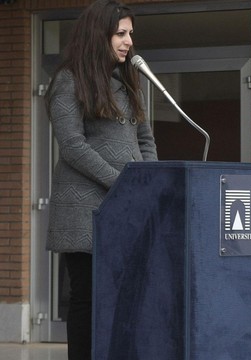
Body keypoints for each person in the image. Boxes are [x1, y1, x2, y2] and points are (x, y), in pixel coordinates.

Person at [44, 1, 157, 359]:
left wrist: (150, 180)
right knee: (88, 298)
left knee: (125, 297)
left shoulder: (127, 83)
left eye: (131, 34)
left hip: (126, 208)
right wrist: (124, 184)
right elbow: (72, 146)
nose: (129, 42)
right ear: (99, 35)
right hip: (84, 210)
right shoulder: (69, 80)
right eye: (120, 33)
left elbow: (145, 140)